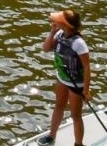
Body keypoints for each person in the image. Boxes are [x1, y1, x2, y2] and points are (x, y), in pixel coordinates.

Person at [38, 10, 92, 146]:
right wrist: (52, 32)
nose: (53, 22)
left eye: (57, 21)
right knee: (59, 106)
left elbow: (87, 68)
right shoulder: (59, 34)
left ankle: (78, 144)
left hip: (76, 84)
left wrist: (86, 91)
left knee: (75, 115)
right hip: (62, 78)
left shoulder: (79, 43)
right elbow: (46, 48)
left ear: (66, 24)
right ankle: (51, 136)